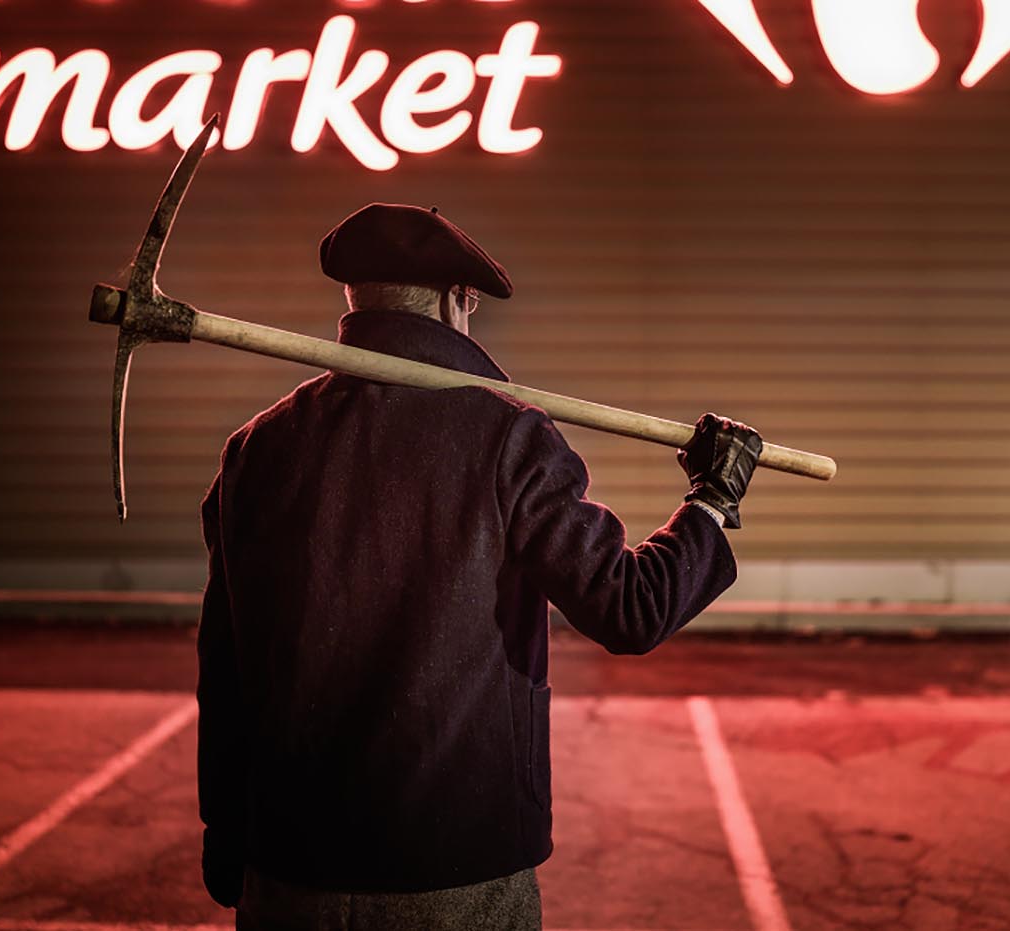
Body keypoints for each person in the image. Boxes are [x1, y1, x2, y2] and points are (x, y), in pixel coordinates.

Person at [195, 203, 763, 930]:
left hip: (286, 868)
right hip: (456, 864)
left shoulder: (258, 449)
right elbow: (632, 609)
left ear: (355, 298)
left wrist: (227, 835)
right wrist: (711, 500)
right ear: (456, 301)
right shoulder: (508, 435)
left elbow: (225, 663)